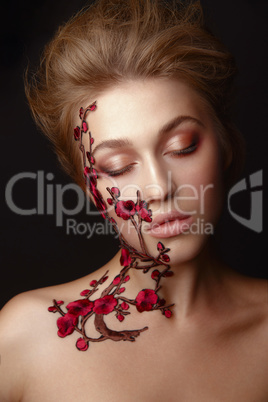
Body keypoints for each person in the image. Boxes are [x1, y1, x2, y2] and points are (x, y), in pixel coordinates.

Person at [0, 0, 267, 400]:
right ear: (89, 186)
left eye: (182, 146)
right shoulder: (25, 338)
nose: (159, 188)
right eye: (118, 166)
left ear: (225, 145)